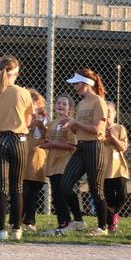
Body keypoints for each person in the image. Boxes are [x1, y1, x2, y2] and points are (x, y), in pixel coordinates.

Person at [0, 56, 34, 241]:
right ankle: (17, 228)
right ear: (16, 73)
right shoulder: (24, 93)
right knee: (17, 186)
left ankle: (1, 229)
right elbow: (28, 120)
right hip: (18, 140)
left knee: (1, 187)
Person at [58, 68, 111, 236]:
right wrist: (71, 124)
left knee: (96, 189)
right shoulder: (81, 103)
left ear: (86, 83)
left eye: (77, 82)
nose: (74, 86)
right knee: (65, 184)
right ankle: (79, 221)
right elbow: (78, 131)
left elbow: (97, 129)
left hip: (94, 147)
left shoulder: (99, 102)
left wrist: (75, 123)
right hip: (81, 146)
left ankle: (102, 227)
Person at [39, 95, 82, 236]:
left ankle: (69, 220)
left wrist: (52, 144)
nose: (60, 105)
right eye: (58, 103)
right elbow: (46, 139)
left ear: (70, 108)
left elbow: (72, 145)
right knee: (56, 194)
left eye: (64, 103)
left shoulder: (69, 123)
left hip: (65, 162)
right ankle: (62, 221)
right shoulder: (52, 123)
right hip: (53, 162)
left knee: (63, 191)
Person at [21, 90, 48, 231]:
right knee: (22, 192)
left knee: (33, 194)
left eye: (35, 109)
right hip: (23, 161)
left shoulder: (44, 122)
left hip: (37, 161)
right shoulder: (22, 121)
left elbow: (47, 137)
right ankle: (19, 219)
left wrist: (40, 126)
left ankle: (30, 221)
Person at [103, 101, 129, 233]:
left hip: (118, 169)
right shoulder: (99, 128)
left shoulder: (119, 128)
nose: (107, 114)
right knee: (107, 197)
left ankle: (115, 213)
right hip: (104, 169)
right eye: (104, 111)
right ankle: (111, 222)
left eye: (109, 111)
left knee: (122, 194)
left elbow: (123, 147)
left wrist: (113, 137)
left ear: (114, 113)